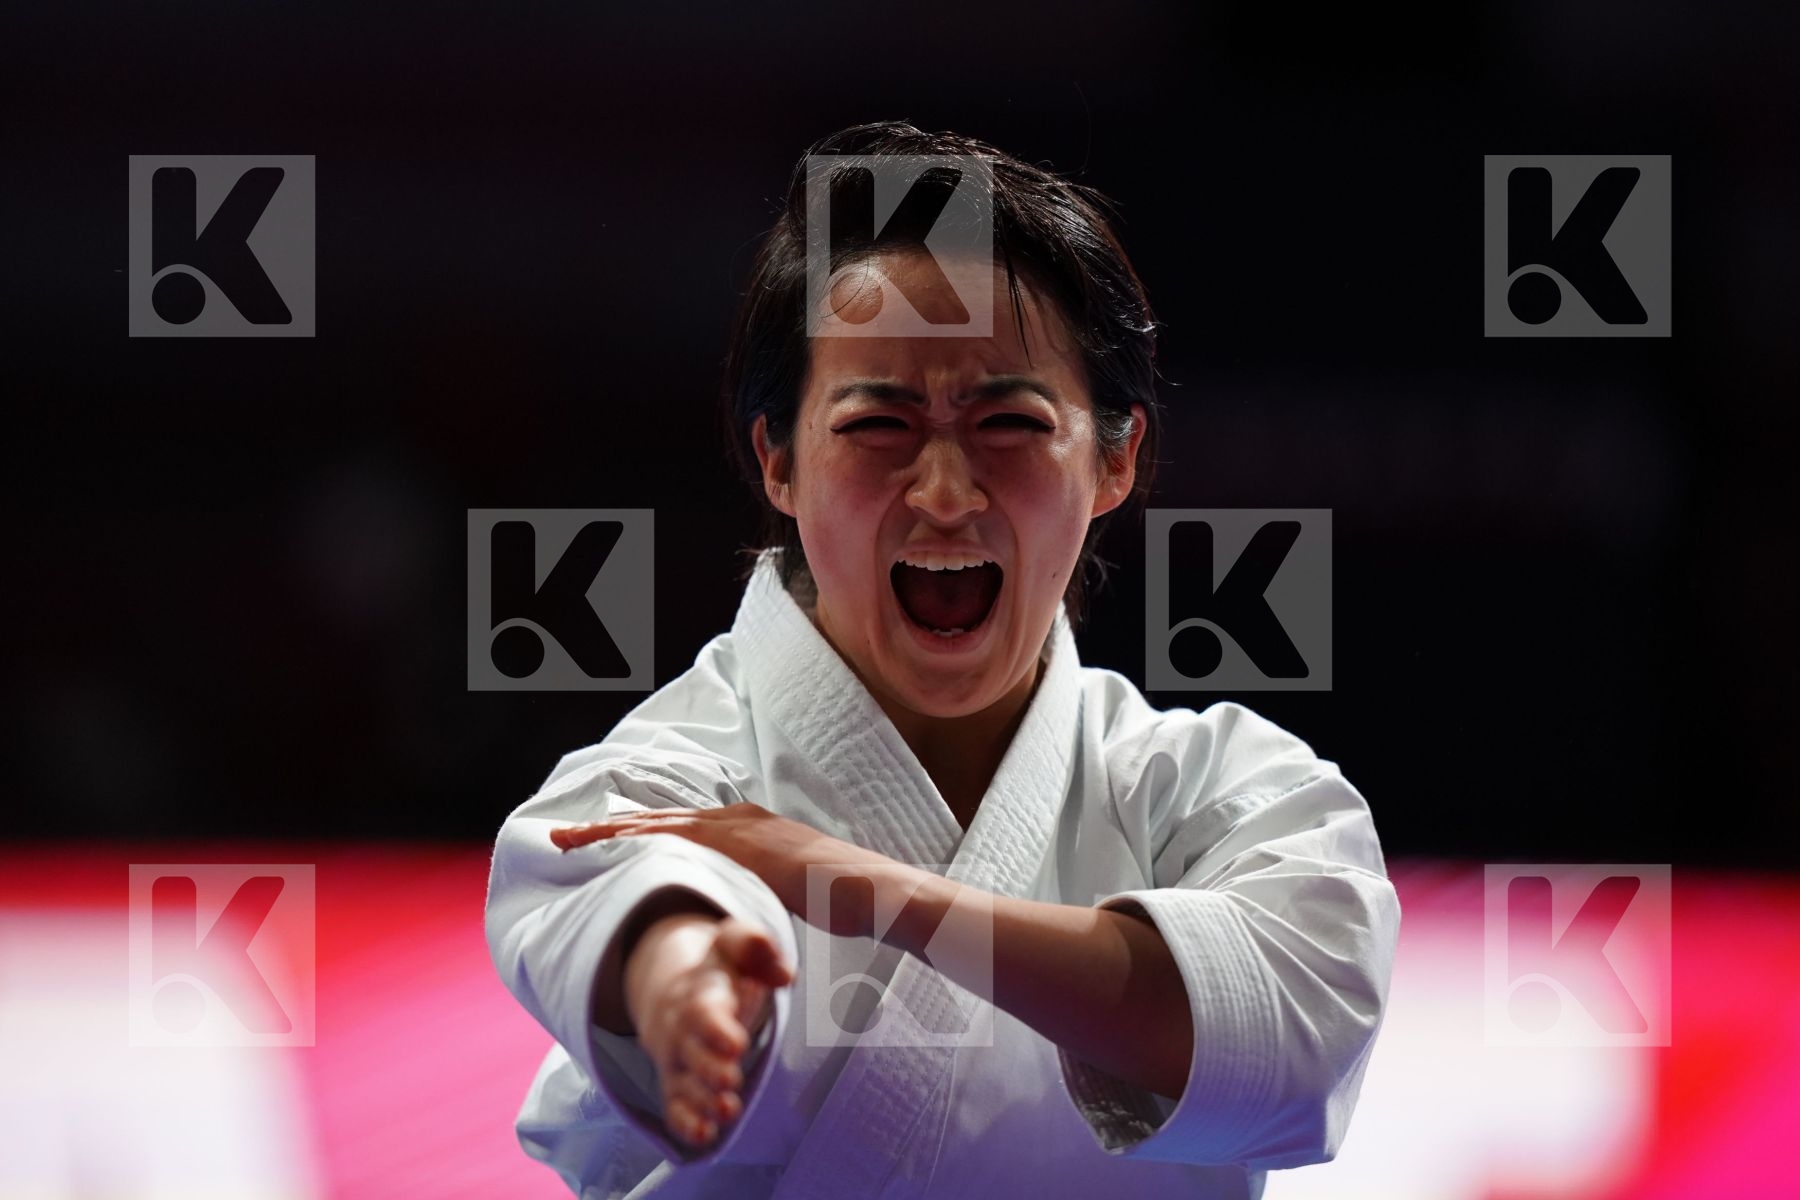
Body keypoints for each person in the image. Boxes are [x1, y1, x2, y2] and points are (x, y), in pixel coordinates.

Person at [485, 120, 1401, 1200]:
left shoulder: (1221, 788)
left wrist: (871, 893)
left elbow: (1295, 1034)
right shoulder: (673, 772)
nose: (946, 494)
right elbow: (630, 885)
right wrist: (680, 978)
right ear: (777, 459)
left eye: (1008, 421)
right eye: (881, 424)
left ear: (1115, 459)